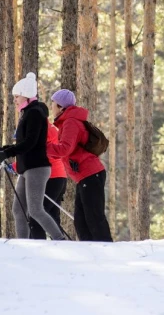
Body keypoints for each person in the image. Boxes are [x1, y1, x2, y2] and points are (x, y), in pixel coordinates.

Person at [0, 73, 65, 240]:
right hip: (27, 168)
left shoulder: (35, 113)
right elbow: (24, 142)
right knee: (18, 209)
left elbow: (31, 142)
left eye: (16, 96)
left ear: (25, 95)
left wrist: (8, 152)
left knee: (35, 209)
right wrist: (4, 149)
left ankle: (59, 239)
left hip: (37, 168)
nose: (15, 100)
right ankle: (23, 244)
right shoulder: (27, 113)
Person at [46, 89, 113, 242]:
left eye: (53, 104)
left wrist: (41, 147)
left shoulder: (70, 122)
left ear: (61, 106)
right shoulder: (68, 122)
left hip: (90, 174)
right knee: (81, 221)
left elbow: (64, 149)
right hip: (85, 176)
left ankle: (107, 251)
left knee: (94, 218)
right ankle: (90, 253)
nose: (51, 107)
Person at [11, 120, 68, 239]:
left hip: (50, 176)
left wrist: (15, 166)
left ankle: (43, 246)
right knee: (49, 214)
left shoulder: (43, 129)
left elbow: (36, 154)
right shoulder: (45, 127)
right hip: (54, 176)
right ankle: (56, 246)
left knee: (36, 215)